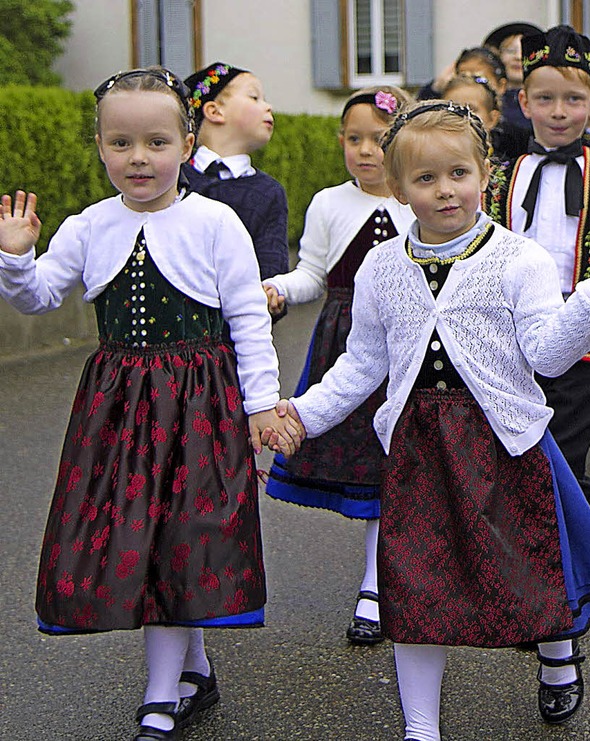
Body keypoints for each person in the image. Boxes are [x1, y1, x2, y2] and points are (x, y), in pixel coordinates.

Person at [271, 100, 590, 740]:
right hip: (418, 446)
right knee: (412, 581)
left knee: (527, 564)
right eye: (425, 179)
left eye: (458, 174)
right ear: (396, 187)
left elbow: (548, 355)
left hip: (504, 439)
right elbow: (363, 364)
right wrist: (300, 413)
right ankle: (421, 728)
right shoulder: (383, 266)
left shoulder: (519, 258)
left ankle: (556, 658)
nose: (445, 191)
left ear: (483, 172)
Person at [0, 67, 302, 741]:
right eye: (120, 142)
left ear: (187, 142)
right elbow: (38, 296)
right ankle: (191, 670)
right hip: (118, 406)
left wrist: (262, 406)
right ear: (101, 145)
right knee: (144, 536)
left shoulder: (215, 222)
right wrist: (16, 258)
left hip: (200, 401)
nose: (138, 157)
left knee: (187, 534)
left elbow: (250, 317)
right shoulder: (89, 225)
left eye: (157, 142)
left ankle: (161, 695)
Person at [262, 85, 414, 645]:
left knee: (399, 459)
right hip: (344, 345)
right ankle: (376, 584)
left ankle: (382, 582)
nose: (366, 150)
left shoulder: (417, 201)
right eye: (355, 138)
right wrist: (277, 288)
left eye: (379, 138)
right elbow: (314, 275)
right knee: (371, 466)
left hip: (407, 344)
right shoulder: (328, 203)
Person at [483, 26, 590, 537]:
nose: (557, 111)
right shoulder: (499, 175)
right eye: (545, 98)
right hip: (507, 335)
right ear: (523, 101)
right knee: (509, 437)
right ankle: (522, 540)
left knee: (570, 442)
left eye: (572, 99)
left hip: (583, 338)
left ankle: (569, 539)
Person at [181, 62, 289, 292]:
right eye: (254, 97)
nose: (268, 106)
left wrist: (272, 293)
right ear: (214, 111)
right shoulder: (174, 179)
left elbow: (271, 269)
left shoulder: (268, 192)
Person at [483, 21, 542, 132]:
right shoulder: (488, 98)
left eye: (525, 51)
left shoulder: (544, 98)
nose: (518, 57)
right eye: (511, 51)